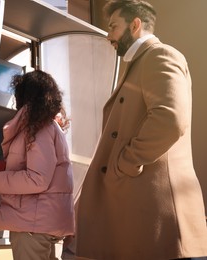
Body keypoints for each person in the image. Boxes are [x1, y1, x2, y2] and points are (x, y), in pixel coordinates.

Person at [75, 1, 207, 259]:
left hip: (155, 212)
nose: (109, 35)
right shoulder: (140, 62)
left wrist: (125, 162)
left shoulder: (160, 55)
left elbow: (170, 119)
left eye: (113, 27)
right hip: (140, 209)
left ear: (135, 24)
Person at [0, 70, 75, 260]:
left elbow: (37, 179)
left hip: (33, 225)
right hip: (41, 222)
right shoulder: (48, 127)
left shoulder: (40, 129)